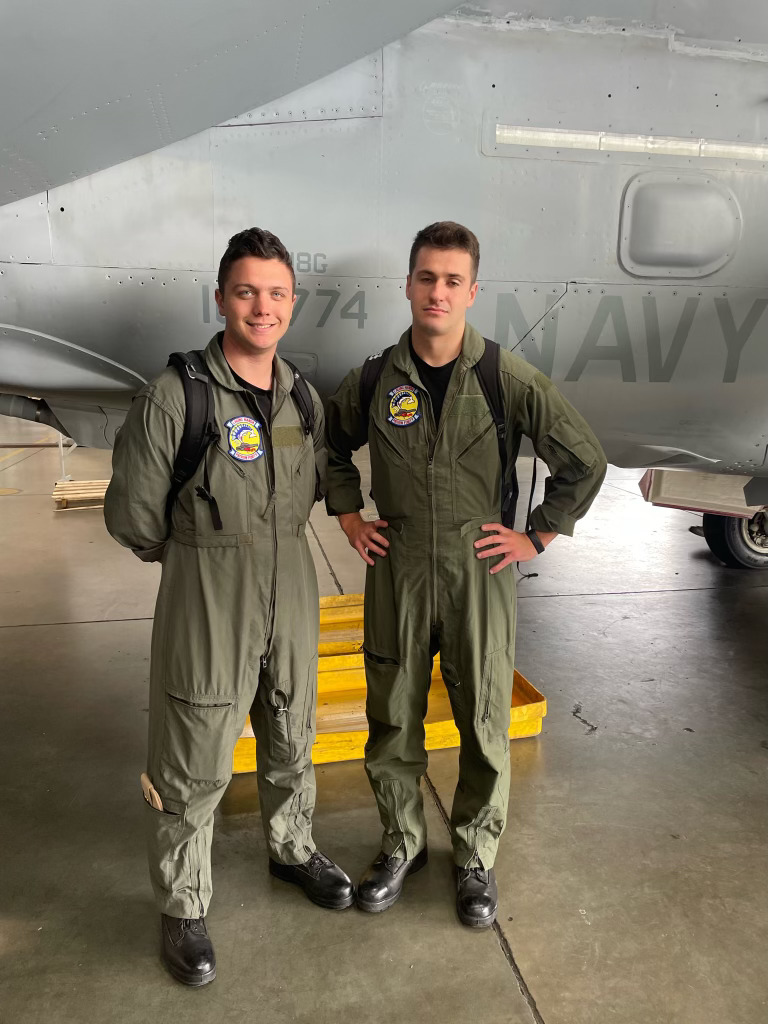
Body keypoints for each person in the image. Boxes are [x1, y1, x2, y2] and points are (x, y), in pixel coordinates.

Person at [325, 221, 607, 928]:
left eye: (452, 280)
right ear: (409, 284)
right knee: (393, 711)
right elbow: (327, 446)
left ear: (472, 291)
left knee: (484, 717)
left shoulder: (503, 379)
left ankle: (475, 856)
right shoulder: (374, 379)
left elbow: (585, 460)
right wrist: (350, 516)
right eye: (427, 277)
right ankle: (402, 842)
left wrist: (537, 534)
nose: (438, 292)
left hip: (480, 569)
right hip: (398, 567)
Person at [105, 228, 353, 988]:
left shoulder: (302, 397)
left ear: (292, 303)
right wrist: (198, 564)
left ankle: (291, 848)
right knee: (195, 756)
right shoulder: (176, 396)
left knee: (292, 731)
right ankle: (183, 906)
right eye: (246, 291)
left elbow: (307, 492)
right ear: (221, 298)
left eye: (276, 293)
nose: (262, 307)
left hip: (292, 592)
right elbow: (133, 518)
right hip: (208, 602)